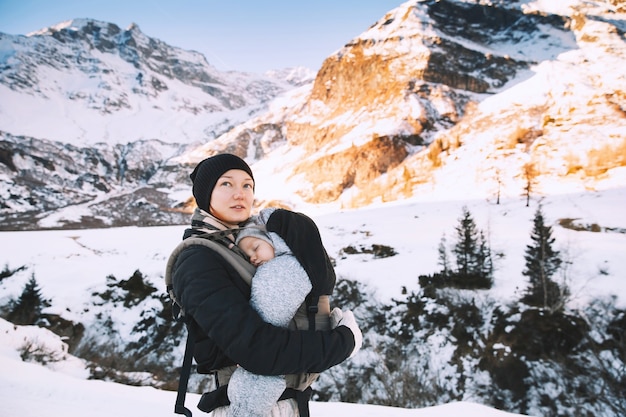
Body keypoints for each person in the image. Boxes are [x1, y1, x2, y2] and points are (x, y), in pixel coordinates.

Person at [169, 153, 362, 417]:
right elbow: (258, 350)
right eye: (226, 184)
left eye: (247, 185)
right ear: (205, 195)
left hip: (288, 406)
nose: (240, 194)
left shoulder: (253, 244)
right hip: (246, 407)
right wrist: (342, 343)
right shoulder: (197, 261)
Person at [229, 207, 322, 417]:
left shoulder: (283, 270)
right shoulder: (283, 266)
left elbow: (266, 318)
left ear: (274, 240)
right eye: (247, 256)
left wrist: (242, 346)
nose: (252, 258)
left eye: (255, 247)